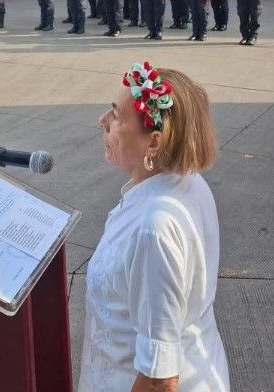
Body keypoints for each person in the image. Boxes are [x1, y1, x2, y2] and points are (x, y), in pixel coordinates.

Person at [79, 62, 228, 392]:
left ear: (154, 143)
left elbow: (160, 378)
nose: (102, 121)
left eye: (116, 116)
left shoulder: (153, 226)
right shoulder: (187, 181)